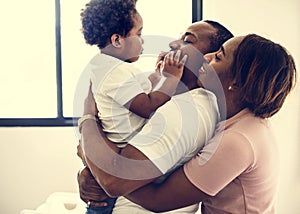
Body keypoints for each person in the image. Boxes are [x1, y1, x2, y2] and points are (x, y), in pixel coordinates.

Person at [80, 34, 297, 213]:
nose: (207, 57)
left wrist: (88, 127)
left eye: (218, 57)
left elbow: (130, 187)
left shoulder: (236, 139)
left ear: (237, 82)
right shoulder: (235, 122)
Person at [77, 20, 234, 213]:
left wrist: (87, 120)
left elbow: (113, 179)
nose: (173, 44)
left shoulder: (186, 110)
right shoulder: (171, 99)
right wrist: (88, 169)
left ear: (207, 61)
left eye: (187, 40)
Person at [79, 1, 187, 212]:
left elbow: (138, 91)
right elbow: (146, 106)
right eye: (139, 33)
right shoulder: (116, 72)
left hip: (116, 150)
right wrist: (172, 78)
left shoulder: (106, 66)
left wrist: (159, 75)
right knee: (102, 206)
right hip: (121, 152)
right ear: (117, 40)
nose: (143, 40)